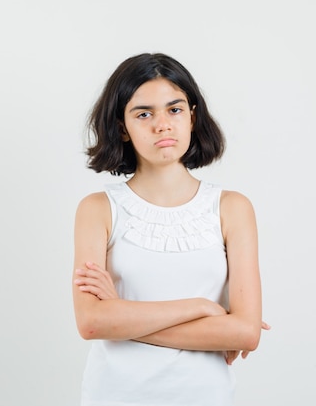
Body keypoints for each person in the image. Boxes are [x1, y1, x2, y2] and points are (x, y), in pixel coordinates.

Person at [72, 52, 267, 406]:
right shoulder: (97, 210)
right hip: (116, 396)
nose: (162, 124)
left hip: (205, 397)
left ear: (192, 117)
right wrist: (202, 308)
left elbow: (244, 332)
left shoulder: (232, 209)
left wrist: (123, 314)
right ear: (122, 128)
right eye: (143, 113)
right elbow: (92, 323)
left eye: (174, 109)